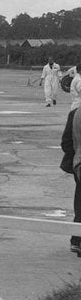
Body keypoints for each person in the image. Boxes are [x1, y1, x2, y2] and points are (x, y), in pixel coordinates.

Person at [65, 109, 81, 254]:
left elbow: (66, 142)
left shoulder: (75, 113)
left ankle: (76, 240)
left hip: (78, 164)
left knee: (80, 203)